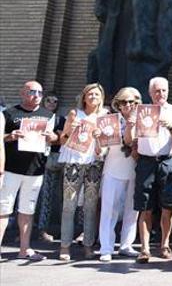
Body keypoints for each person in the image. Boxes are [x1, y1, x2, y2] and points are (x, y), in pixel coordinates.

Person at [0, 81, 57, 261]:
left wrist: (52, 137)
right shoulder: (9, 113)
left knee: (28, 210)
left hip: (35, 170)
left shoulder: (48, 115)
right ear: (22, 93)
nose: (37, 95)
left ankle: (24, 249)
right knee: (3, 210)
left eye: (40, 92)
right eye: (32, 92)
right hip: (10, 169)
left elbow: (54, 138)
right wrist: (10, 136)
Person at [133, 76, 172, 263]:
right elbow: (132, 139)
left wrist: (170, 127)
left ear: (168, 91)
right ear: (150, 93)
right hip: (146, 162)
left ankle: (164, 244)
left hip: (167, 161)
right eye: (156, 90)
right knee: (145, 207)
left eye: (163, 90)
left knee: (167, 207)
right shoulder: (141, 111)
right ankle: (145, 249)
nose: (160, 94)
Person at [57, 83, 107, 261]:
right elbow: (62, 140)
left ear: (101, 98)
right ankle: (64, 246)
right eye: (90, 94)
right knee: (68, 205)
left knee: (91, 207)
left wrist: (99, 138)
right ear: (84, 97)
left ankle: (88, 245)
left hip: (94, 164)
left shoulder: (104, 116)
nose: (93, 97)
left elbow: (104, 148)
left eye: (96, 95)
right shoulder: (74, 114)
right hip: (73, 163)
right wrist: (70, 129)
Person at [97, 87, 141, 262]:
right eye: (124, 102)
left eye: (132, 102)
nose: (128, 105)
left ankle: (126, 245)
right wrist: (97, 138)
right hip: (113, 168)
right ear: (118, 104)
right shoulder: (109, 121)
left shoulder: (144, 120)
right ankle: (106, 247)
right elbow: (101, 150)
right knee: (109, 209)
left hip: (135, 169)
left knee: (133, 210)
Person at [34, 92, 63, 243]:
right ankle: (29, 230)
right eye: (49, 100)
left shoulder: (60, 120)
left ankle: (44, 230)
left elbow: (63, 139)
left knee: (49, 196)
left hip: (52, 161)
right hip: (34, 161)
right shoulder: (36, 118)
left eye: (55, 101)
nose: (52, 103)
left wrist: (54, 138)